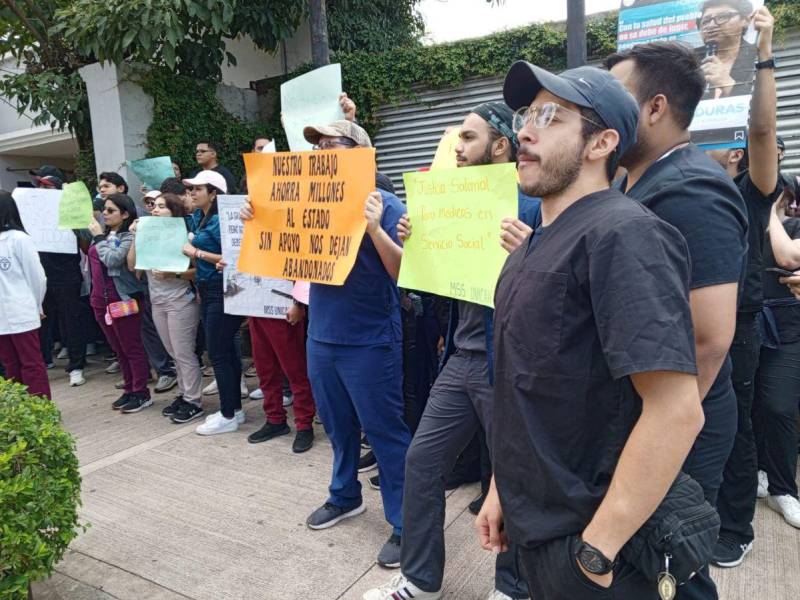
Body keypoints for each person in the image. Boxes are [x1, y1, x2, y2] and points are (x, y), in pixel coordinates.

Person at [476, 60, 704, 600]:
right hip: (536, 529)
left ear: (601, 143)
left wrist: (598, 548)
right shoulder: (528, 246)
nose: (524, 130)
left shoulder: (625, 235)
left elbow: (676, 409)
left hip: (600, 546)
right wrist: (500, 490)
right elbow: (522, 387)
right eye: (525, 114)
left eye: (551, 116)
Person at [365, 101, 540, 600]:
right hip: (460, 360)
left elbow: (553, 295)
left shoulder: (531, 206)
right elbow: (413, 280)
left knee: (511, 477)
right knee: (421, 462)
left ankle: (512, 587)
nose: (456, 148)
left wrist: (529, 250)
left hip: (506, 365)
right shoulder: (447, 204)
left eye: (467, 138)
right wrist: (404, 242)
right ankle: (420, 580)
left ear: (500, 146)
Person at [606, 41, 748, 599]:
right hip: (648, 414)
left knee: (672, 563)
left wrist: (662, 431)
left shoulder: (691, 190)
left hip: (677, 424)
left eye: (615, 97)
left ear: (655, 108)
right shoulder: (633, 183)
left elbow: (711, 338)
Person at [240, 119, 409, 567]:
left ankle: (405, 521)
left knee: (385, 432)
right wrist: (256, 221)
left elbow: (404, 274)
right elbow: (281, 250)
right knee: (336, 427)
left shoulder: (385, 204)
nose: (320, 154)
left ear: (359, 153)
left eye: (331, 145)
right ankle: (344, 495)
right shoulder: (304, 199)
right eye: (315, 147)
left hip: (370, 340)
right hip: (322, 336)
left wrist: (375, 228)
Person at [702, 5, 781, 568]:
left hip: (740, 319)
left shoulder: (752, 185)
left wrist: (764, 49)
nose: (710, 21)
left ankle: (735, 523)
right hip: (683, 311)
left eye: (721, 13)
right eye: (702, 15)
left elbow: (761, 128)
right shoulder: (684, 181)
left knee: (735, 419)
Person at [127, 193, 205, 424]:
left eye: (162, 207)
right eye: (153, 206)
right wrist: (135, 237)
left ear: (174, 211)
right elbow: (132, 265)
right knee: (173, 352)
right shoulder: (149, 235)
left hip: (180, 299)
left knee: (183, 352)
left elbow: (197, 271)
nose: (155, 210)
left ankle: (194, 400)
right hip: (158, 300)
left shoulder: (185, 236)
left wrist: (174, 273)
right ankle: (184, 393)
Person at [181, 170, 246, 434]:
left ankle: (228, 414)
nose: (192, 193)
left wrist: (196, 252)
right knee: (225, 351)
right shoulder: (198, 216)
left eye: (198, 189)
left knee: (219, 352)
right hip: (207, 289)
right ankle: (235, 410)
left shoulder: (221, 219)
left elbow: (230, 256)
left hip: (224, 290)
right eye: (191, 189)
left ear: (214, 193)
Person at [754, 188, 800, 529]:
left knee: (780, 406)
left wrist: (769, 209)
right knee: (749, 401)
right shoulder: (746, 220)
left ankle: (785, 488)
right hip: (749, 319)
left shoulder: (791, 226)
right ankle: (757, 469)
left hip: (788, 326)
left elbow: (788, 258)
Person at [87, 193, 152, 413]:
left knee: (131, 347)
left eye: (111, 210)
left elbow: (113, 259)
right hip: (100, 301)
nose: (105, 214)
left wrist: (97, 238)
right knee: (118, 349)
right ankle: (129, 389)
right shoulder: (105, 235)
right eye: (104, 209)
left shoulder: (128, 237)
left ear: (125, 214)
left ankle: (141, 392)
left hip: (122, 299)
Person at [31, 172, 90, 387]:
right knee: (41, 321)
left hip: (66, 275)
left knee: (71, 320)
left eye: (47, 187)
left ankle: (76, 366)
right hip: (40, 275)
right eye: (40, 187)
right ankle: (41, 363)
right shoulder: (31, 214)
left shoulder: (71, 213)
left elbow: (85, 246)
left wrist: (78, 225)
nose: (42, 191)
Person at [245, 287, 316, 453]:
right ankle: (275, 419)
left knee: (295, 370)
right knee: (265, 370)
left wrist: (299, 304)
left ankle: (304, 425)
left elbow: (300, 268)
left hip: (282, 309)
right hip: (257, 307)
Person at [0, 190, 50, 399]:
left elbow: (37, 277)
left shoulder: (19, 239)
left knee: (31, 363)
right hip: (2, 316)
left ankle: (41, 407)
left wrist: (37, 305)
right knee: (10, 364)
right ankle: (21, 410)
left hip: (22, 310)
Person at [696, 0, 755, 99]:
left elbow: (762, 105)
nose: (711, 25)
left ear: (745, 20)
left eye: (722, 17)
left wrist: (728, 85)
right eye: (705, 21)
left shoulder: (758, 55)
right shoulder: (689, 60)